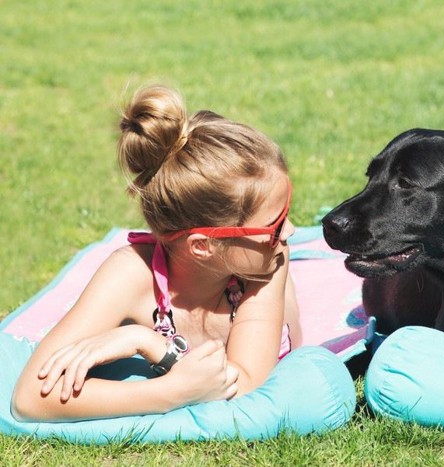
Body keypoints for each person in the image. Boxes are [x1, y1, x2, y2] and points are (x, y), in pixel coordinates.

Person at [12, 85, 301, 421]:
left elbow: (246, 383)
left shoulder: (268, 261)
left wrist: (148, 345)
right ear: (202, 246)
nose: (291, 230)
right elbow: (29, 398)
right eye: (276, 222)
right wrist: (168, 392)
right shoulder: (131, 275)